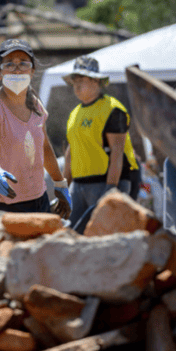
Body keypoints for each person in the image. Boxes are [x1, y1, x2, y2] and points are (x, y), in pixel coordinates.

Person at [0, 39, 72, 217]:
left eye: (23, 64)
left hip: (38, 198)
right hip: (4, 201)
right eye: (9, 64)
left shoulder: (34, 104)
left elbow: (44, 147)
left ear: (32, 71)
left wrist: (60, 183)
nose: (17, 70)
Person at [62, 56, 140, 225]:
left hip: (105, 182)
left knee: (105, 232)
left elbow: (117, 151)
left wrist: (111, 188)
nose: (76, 85)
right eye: (75, 81)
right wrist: (63, 188)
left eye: (82, 80)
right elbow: (70, 153)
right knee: (71, 231)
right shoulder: (75, 114)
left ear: (96, 81)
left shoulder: (112, 109)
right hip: (79, 185)